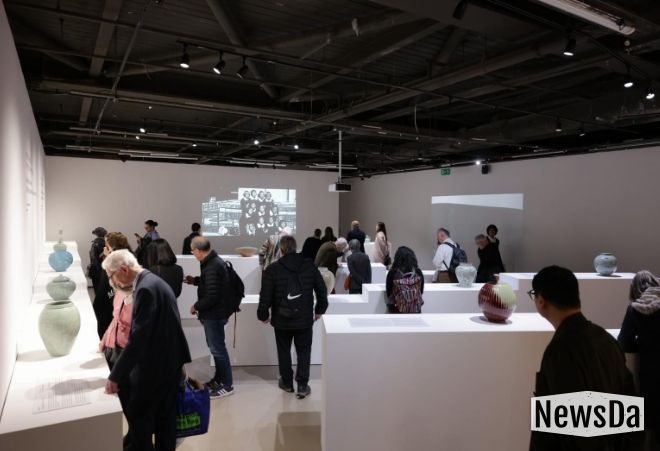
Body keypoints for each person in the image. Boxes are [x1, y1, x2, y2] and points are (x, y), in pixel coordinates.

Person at [529, 265, 641, 451]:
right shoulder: (606, 339)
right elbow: (630, 410)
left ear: (541, 300)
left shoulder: (559, 349)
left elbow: (570, 434)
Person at [102, 249, 191, 451]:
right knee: (165, 420)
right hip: (168, 363)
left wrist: (115, 376)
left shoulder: (145, 289)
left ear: (124, 269)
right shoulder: (152, 282)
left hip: (157, 367)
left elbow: (138, 339)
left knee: (140, 417)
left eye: (111, 276)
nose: (112, 282)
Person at [257, 235, 328, 399]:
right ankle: (302, 385)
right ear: (295, 248)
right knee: (304, 351)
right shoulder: (309, 265)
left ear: (281, 250)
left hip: (281, 319)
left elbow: (265, 296)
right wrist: (320, 309)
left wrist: (263, 314)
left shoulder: (273, 269)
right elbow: (322, 290)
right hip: (304, 318)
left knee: (283, 351)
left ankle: (287, 383)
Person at [185, 236, 235, 398]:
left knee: (218, 349)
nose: (193, 254)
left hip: (215, 314)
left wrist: (196, 306)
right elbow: (211, 283)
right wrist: (196, 281)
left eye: (193, 251)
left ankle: (227, 384)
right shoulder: (212, 262)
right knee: (216, 348)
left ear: (199, 250)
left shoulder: (212, 265)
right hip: (215, 313)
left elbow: (212, 296)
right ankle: (219, 379)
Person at [618, 270, 660, 447]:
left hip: (651, 372)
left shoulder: (635, 309)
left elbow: (624, 342)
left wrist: (643, 343)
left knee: (651, 422)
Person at [93, 231, 132, 340]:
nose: (104, 246)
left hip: (111, 300)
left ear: (111, 246)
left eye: (106, 244)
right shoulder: (128, 255)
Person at [385, 246, 424, 313]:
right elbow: (421, 291)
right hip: (415, 310)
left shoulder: (393, 272)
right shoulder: (418, 272)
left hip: (396, 310)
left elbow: (388, 293)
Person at [88, 226, 107, 295]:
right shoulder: (106, 243)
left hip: (97, 269)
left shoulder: (95, 243)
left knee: (98, 289)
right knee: (105, 289)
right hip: (104, 269)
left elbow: (94, 258)